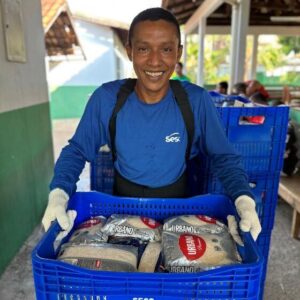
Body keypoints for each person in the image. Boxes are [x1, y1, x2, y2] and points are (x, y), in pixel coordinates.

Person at [42, 8, 261, 241]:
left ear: (178, 53)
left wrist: (243, 199)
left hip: (178, 214)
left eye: (166, 49)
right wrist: (59, 194)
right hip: (122, 212)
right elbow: (76, 151)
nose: (155, 61)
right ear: (130, 51)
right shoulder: (106, 99)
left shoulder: (195, 101)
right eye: (144, 49)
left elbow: (224, 157)